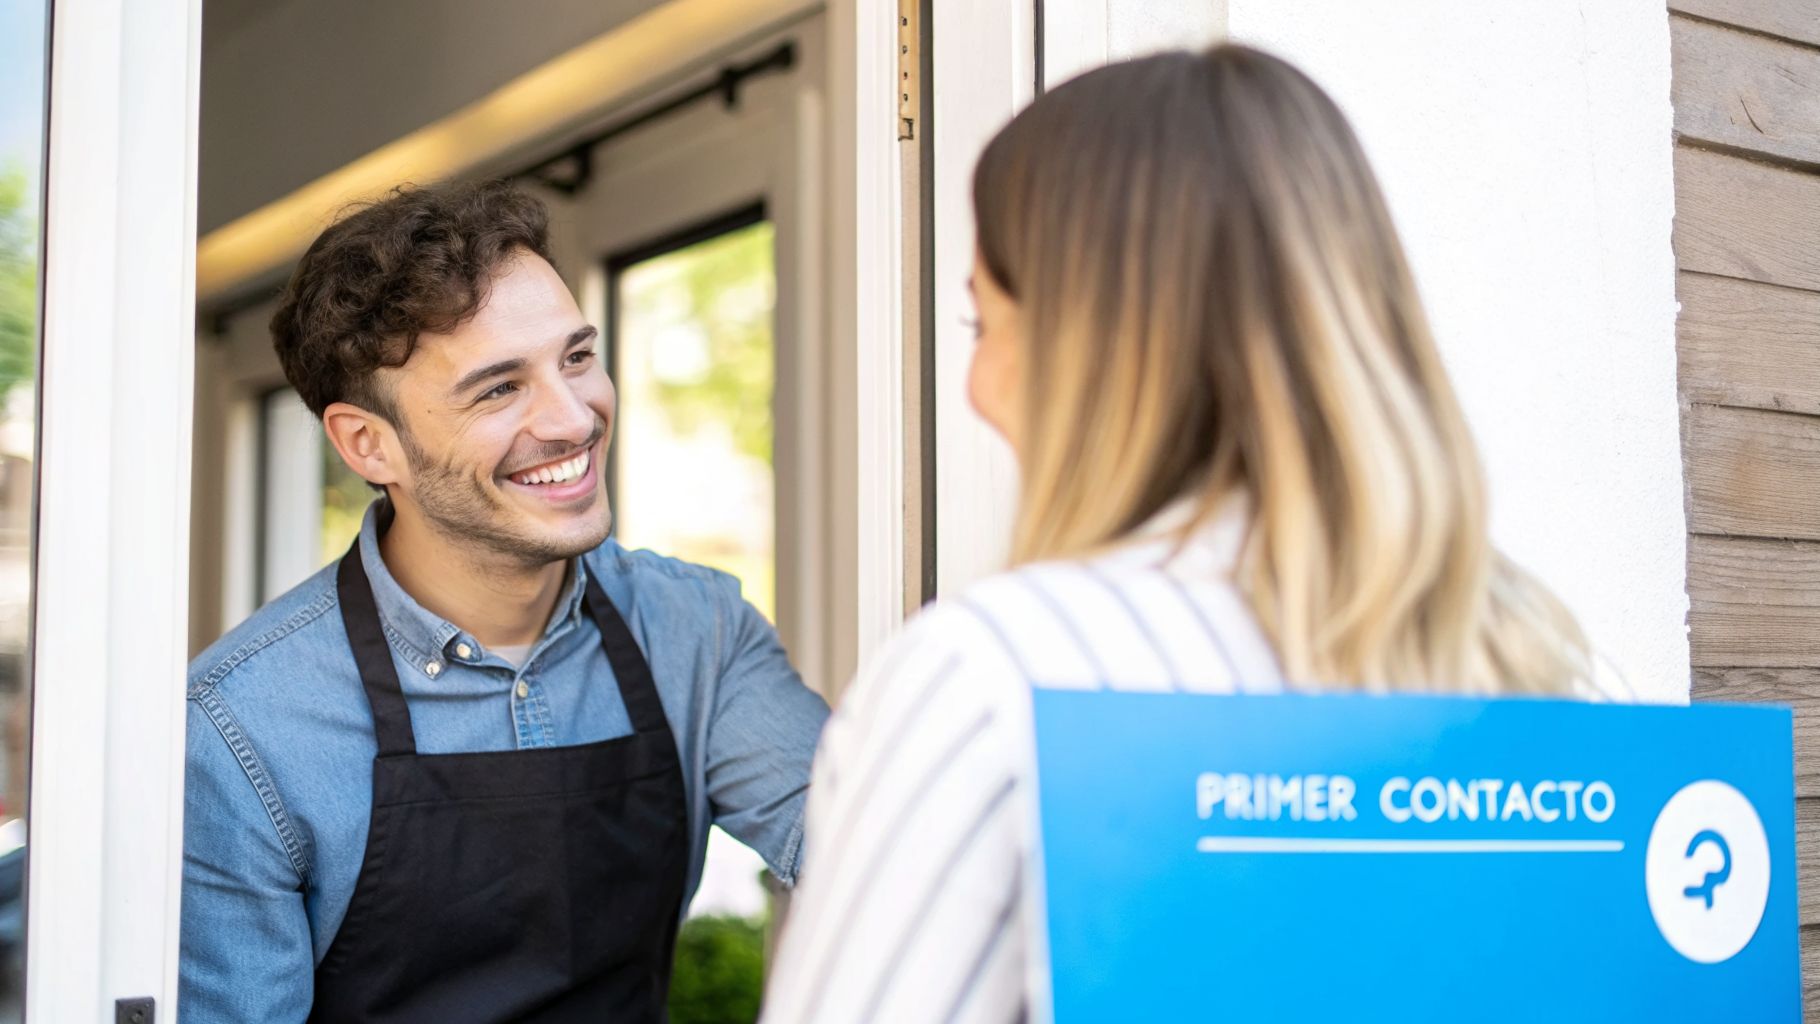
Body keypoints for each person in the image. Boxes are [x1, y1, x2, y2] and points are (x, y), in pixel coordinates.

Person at [762, 44, 1630, 1022]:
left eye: (980, 326)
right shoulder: (1524, 661)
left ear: (1088, 346)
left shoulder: (986, 679)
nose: (973, 387)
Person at [180, 181, 830, 1021]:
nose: (572, 419)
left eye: (576, 358)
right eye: (499, 389)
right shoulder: (242, 727)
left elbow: (877, 856)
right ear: (369, 444)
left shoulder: (696, 631)